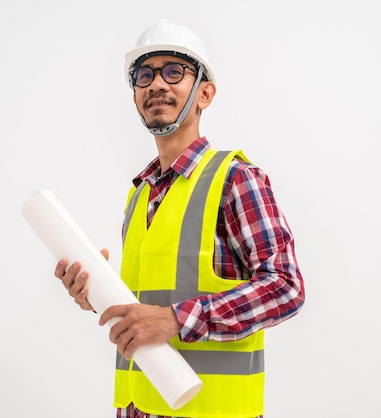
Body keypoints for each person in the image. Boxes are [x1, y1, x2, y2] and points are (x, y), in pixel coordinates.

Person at [54, 18, 305, 418]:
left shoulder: (235, 179)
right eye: (144, 75)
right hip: (138, 407)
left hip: (213, 411)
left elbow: (286, 287)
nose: (156, 84)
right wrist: (96, 294)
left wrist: (177, 320)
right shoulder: (139, 195)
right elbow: (146, 306)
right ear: (135, 96)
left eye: (175, 72)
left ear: (205, 93)